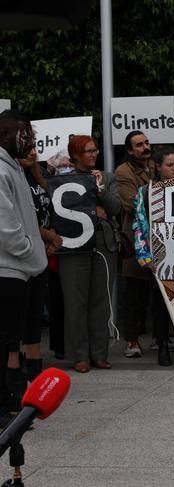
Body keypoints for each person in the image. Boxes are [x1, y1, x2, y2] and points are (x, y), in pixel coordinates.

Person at [58, 135, 121, 373]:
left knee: (101, 301)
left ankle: (99, 353)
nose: (94, 154)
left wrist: (100, 190)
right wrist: (90, 209)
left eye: (95, 150)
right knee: (76, 301)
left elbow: (116, 209)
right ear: (75, 155)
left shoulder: (107, 177)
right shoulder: (62, 179)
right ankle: (79, 356)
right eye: (88, 151)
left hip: (103, 242)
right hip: (73, 244)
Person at [0, 110, 47, 417]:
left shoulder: (13, 167)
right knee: (4, 341)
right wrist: (32, 252)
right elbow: (6, 227)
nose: (30, 141)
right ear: (5, 135)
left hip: (20, 269)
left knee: (9, 339)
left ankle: (7, 402)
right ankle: (3, 408)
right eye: (24, 134)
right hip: (8, 269)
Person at [12, 147, 62, 397]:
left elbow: (45, 212)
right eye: (27, 147)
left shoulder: (37, 175)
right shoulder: (10, 176)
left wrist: (51, 239)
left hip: (41, 252)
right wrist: (47, 237)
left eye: (35, 147)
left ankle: (34, 375)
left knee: (34, 317)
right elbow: (19, 220)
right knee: (15, 320)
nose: (32, 151)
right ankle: (14, 381)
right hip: (22, 255)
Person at [133, 145, 174, 366]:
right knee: (160, 305)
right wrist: (145, 255)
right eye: (169, 165)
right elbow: (139, 224)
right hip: (157, 257)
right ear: (158, 166)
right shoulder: (145, 191)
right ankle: (163, 346)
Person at [115, 130, 155, 358]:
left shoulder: (154, 166)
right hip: (137, 239)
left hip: (159, 238)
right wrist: (160, 199)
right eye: (139, 145)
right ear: (129, 150)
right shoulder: (123, 171)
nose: (145, 147)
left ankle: (162, 337)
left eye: (146, 143)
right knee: (134, 295)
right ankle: (131, 341)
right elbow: (132, 203)